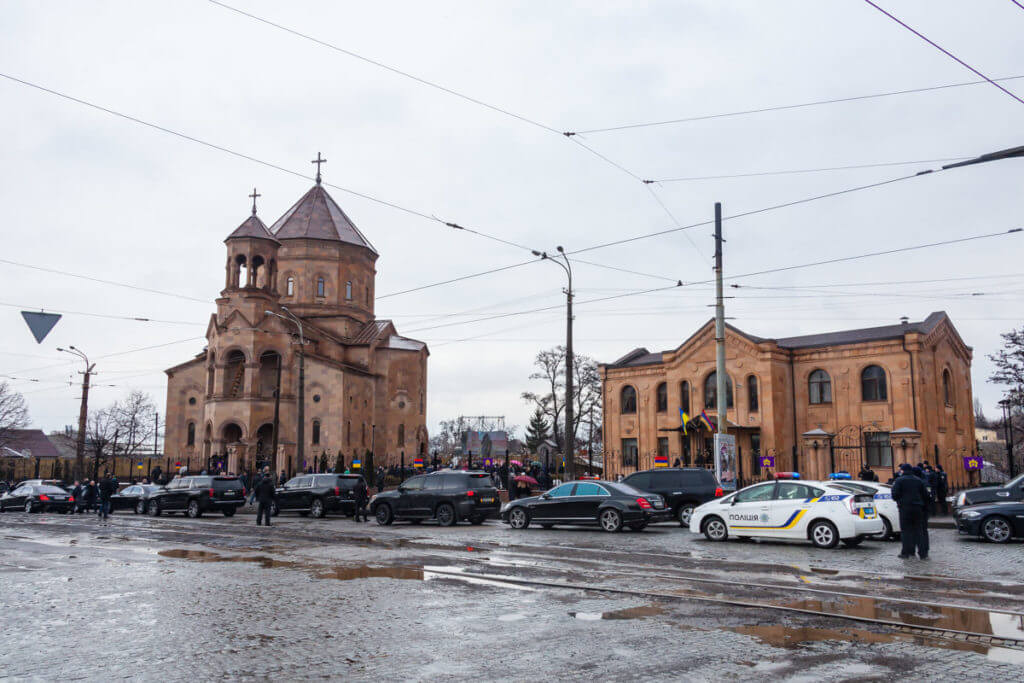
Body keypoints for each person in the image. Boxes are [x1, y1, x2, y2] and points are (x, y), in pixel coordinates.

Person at [891, 463, 931, 559]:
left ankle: (906, 552)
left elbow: (895, 495)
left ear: (903, 470)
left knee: (906, 531)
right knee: (919, 530)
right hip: (917, 508)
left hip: (905, 508)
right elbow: (925, 495)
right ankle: (923, 553)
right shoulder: (918, 480)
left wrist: (900, 501)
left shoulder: (899, 480)